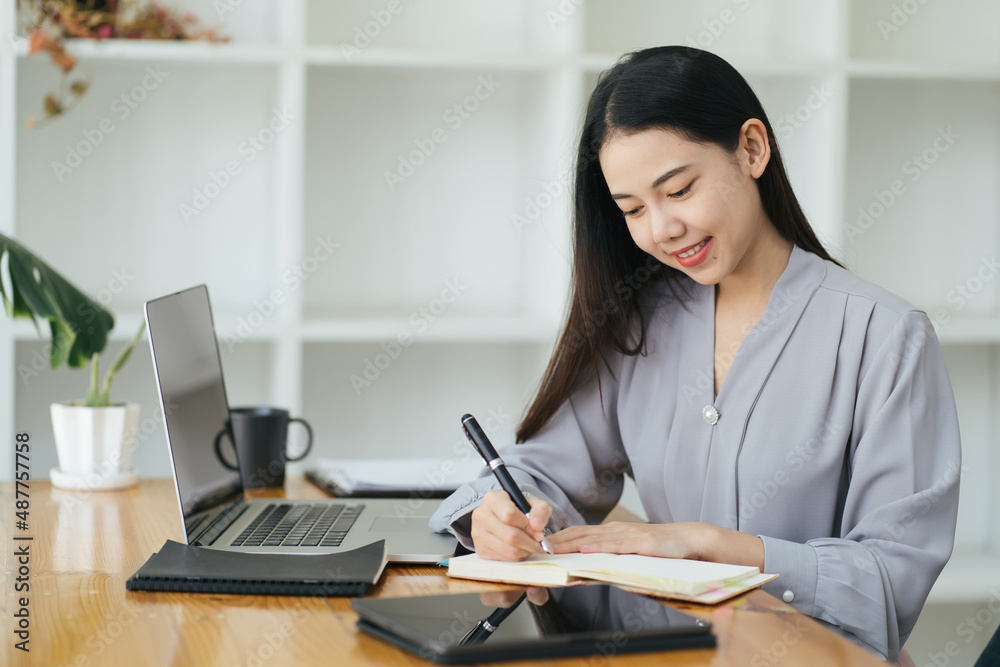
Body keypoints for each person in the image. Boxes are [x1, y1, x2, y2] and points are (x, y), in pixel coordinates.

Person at [430, 46, 960, 663]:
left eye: (678, 190)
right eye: (632, 209)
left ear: (752, 149)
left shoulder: (884, 334)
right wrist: (500, 517)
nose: (660, 230)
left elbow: (890, 578)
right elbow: (544, 471)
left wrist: (711, 545)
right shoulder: (638, 319)